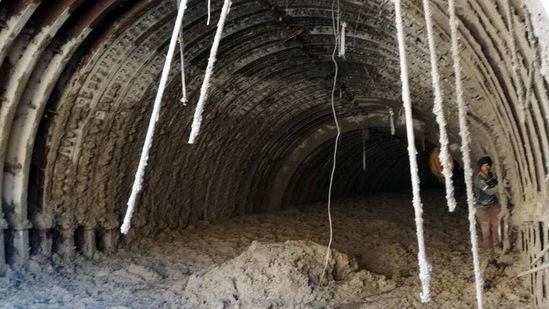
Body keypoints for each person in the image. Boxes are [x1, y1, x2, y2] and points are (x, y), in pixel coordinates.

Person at [474, 156, 501, 249]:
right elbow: (490, 191)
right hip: (482, 207)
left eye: (488, 165)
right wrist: (501, 185)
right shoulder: (479, 180)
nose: (487, 168)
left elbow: (494, 184)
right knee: (486, 227)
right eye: (484, 166)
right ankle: (488, 247)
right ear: (480, 167)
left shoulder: (490, 175)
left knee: (496, 224)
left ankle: (496, 244)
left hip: (493, 205)